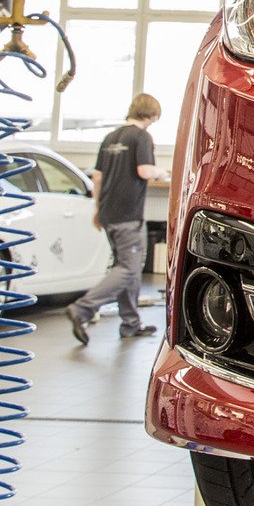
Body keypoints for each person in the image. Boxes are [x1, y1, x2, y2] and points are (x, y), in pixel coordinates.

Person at [68, 95, 168, 347]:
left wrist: (97, 210)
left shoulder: (110, 137)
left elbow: (98, 177)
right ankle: (82, 309)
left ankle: (131, 324)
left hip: (109, 213)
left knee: (128, 267)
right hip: (128, 214)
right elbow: (144, 171)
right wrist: (163, 172)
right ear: (152, 116)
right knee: (129, 269)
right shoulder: (142, 137)